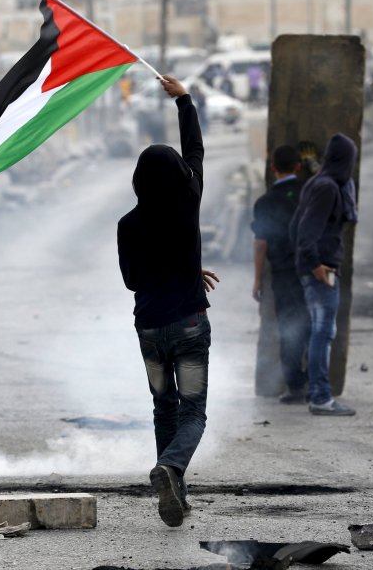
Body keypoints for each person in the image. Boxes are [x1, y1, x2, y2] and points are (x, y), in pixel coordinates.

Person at [117, 74, 220, 527]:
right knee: (193, 410)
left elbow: (132, 280)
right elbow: (195, 151)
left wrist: (177, 270)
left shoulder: (127, 224)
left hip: (150, 331)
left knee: (165, 407)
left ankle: (172, 490)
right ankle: (172, 469)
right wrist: (184, 102)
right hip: (189, 326)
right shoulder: (188, 201)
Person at [289, 133, 358, 416]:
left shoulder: (321, 183)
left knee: (320, 331)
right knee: (323, 332)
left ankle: (317, 392)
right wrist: (315, 265)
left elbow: (295, 227)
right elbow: (305, 233)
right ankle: (320, 397)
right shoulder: (327, 188)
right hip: (321, 271)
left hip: (317, 268)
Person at [251, 145, 310, 404]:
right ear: (298, 166)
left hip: (284, 274)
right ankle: (317, 381)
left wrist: (256, 279)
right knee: (316, 327)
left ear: (272, 168)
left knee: (290, 327)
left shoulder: (265, 202)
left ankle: (295, 385)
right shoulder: (310, 194)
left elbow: (260, 243)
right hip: (313, 270)